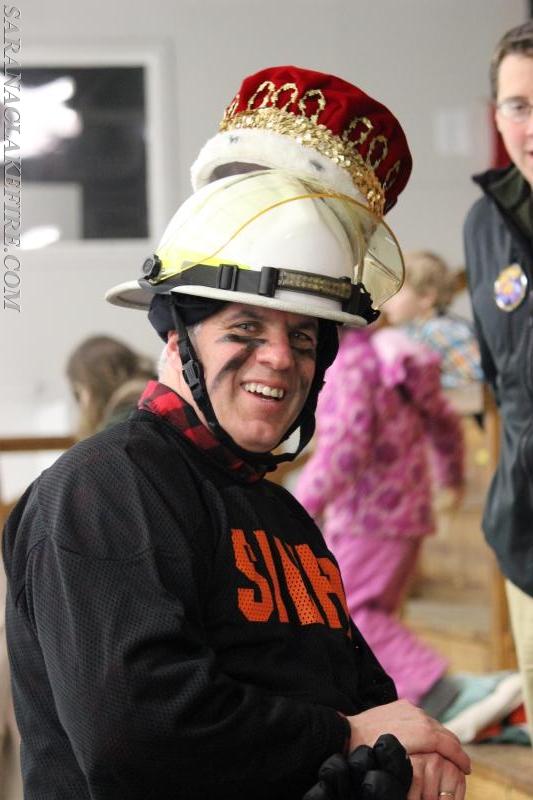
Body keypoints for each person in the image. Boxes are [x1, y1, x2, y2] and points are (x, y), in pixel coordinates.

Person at [2, 68, 470, 799]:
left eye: (304, 339)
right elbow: (138, 730)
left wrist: (406, 749)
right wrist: (347, 738)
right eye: (244, 329)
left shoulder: (281, 514)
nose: (280, 358)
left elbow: (375, 701)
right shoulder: (103, 490)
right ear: (176, 336)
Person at [295, 322, 465, 715]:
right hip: (404, 512)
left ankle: (433, 687)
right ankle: (398, 693)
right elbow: (445, 421)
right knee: (369, 610)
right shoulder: (389, 358)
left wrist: (302, 504)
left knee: (347, 610)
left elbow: (346, 446)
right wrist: (450, 475)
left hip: (368, 517)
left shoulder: (351, 364)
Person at [464, 20, 533, 744]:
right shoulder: (481, 227)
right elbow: (498, 378)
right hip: (526, 532)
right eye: (517, 105)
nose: (529, 126)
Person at [383, 251, 483, 390]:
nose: (386, 301)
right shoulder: (412, 331)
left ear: (425, 297)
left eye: (396, 292)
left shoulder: (441, 330)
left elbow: (476, 374)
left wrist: (425, 383)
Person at [66, 335, 155, 439]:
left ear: (90, 388)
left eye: (78, 393)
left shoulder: (121, 422)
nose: (81, 404)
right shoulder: (158, 393)